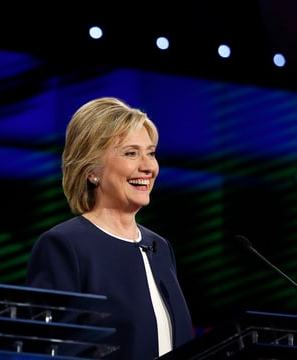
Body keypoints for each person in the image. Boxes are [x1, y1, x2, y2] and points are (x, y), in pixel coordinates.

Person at [26, 97, 194, 359]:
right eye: (131, 153)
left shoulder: (160, 248)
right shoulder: (64, 246)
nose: (148, 167)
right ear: (92, 170)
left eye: (150, 153)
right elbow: (52, 351)